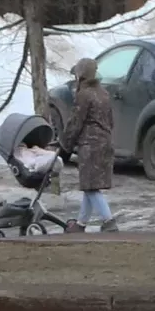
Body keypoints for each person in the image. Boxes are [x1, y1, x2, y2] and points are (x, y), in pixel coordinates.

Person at [59, 57, 118, 233]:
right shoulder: (103, 93)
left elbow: (75, 122)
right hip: (105, 142)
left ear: (81, 75)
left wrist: (65, 144)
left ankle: (109, 221)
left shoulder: (83, 95)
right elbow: (111, 121)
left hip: (90, 145)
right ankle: (81, 224)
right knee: (90, 186)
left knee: (91, 186)